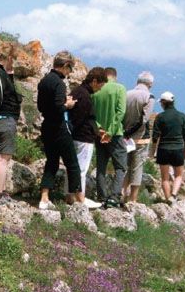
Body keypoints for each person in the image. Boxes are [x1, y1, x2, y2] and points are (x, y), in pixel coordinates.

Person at [37, 51, 83, 210]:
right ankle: (78, 199)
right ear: (64, 66)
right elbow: (58, 108)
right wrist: (68, 105)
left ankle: (44, 197)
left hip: (46, 126)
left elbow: (41, 107)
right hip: (59, 127)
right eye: (70, 69)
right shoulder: (59, 83)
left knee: (52, 162)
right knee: (73, 163)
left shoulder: (43, 81)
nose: (69, 73)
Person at [67, 66, 108, 209]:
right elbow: (81, 119)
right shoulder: (85, 96)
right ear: (95, 81)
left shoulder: (77, 91)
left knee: (73, 168)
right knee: (81, 170)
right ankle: (80, 199)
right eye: (101, 85)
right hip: (83, 138)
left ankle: (71, 196)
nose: (101, 89)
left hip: (76, 136)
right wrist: (94, 131)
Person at [0, 43, 22, 205]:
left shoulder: (0, 72)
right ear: (9, 57)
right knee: (2, 158)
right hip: (3, 119)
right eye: (13, 59)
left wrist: (10, 73)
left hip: (2, 119)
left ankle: (0, 193)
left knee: (3, 157)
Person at [92, 67, 127, 208]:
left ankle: (101, 196)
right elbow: (121, 111)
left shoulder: (95, 91)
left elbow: (91, 114)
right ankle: (114, 197)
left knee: (101, 166)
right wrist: (110, 131)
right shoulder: (120, 88)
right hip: (115, 134)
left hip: (98, 134)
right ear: (115, 76)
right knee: (120, 166)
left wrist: (101, 130)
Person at [149, 91, 185, 203]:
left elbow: (155, 137)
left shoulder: (160, 117)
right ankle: (173, 195)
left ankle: (167, 199)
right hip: (178, 149)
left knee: (165, 178)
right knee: (179, 175)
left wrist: (152, 152)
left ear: (163, 103)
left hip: (163, 150)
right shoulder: (182, 116)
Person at [122, 71, 155, 203]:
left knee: (125, 166)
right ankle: (133, 198)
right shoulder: (149, 97)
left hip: (125, 137)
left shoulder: (126, 94)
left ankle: (122, 192)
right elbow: (144, 119)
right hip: (140, 137)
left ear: (137, 81)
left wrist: (126, 132)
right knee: (137, 167)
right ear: (150, 84)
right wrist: (131, 131)